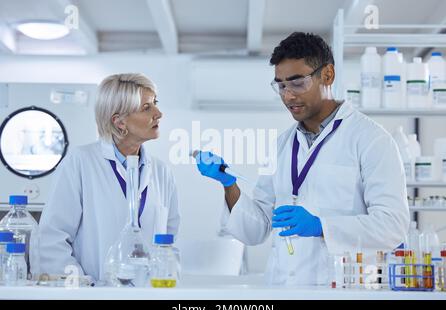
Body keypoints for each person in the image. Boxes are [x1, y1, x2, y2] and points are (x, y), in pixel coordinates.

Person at [194, 32, 409, 285]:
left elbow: (393, 226)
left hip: (341, 289)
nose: (288, 96)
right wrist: (229, 185)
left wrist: (322, 226)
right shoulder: (282, 145)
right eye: (281, 86)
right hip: (283, 288)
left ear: (327, 75)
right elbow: (256, 229)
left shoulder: (371, 139)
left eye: (297, 83)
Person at [38, 73, 180, 281]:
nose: (159, 113)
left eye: (155, 103)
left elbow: (171, 239)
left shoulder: (161, 171)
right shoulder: (79, 162)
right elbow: (52, 240)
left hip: (150, 294)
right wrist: (85, 288)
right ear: (119, 122)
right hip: (94, 294)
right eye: (146, 107)